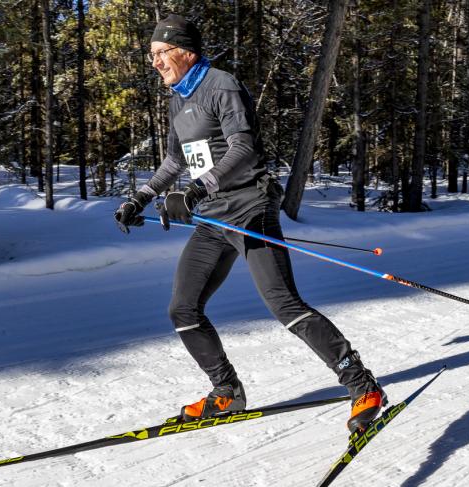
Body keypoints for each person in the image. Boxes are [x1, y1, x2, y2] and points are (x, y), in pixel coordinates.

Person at [114, 14, 386, 433]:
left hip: (249, 208)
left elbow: (242, 146)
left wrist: (197, 189)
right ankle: (226, 392)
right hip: (211, 219)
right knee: (182, 310)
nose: (154, 62)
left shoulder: (220, 85)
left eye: (160, 53)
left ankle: (363, 385)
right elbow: (177, 159)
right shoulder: (178, 98)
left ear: (184, 51)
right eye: (151, 55)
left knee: (284, 305)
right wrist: (142, 197)